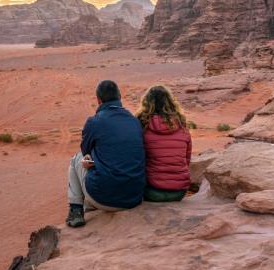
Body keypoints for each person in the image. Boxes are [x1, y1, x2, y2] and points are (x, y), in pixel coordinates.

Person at [66, 80, 145, 228]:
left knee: (76, 159)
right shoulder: (134, 121)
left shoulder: (94, 122)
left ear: (98, 100)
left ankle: (75, 211)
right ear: (120, 96)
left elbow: (86, 151)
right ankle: (89, 205)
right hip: (134, 198)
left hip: (104, 198)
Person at [136, 86, 191, 203]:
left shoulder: (142, 125)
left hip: (152, 192)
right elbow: (187, 159)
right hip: (179, 192)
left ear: (147, 103)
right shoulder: (182, 125)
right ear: (170, 102)